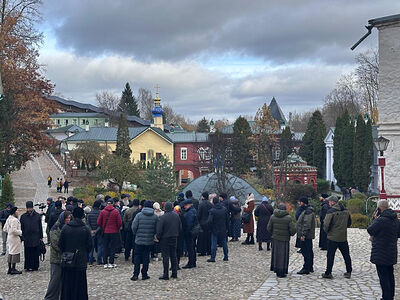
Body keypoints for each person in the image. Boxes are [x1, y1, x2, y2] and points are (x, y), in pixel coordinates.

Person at [367, 200, 400, 300]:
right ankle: (391, 296)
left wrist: (375, 219)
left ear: (379, 208)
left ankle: (386, 297)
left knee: (383, 277)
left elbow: (370, 230)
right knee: (390, 275)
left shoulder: (381, 220)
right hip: (391, 251)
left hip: (381, 252)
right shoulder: (395, 219)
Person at [59, 207, 92, 300]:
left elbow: (60, 244)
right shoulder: (85, 229)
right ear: (82, 216)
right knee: (80, 283)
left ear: (73, 215)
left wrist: (66, 252)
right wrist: (84, 253)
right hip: (81, 259)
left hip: (68, 259)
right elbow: (90, 245)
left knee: (67, 283)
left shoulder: (66, 228)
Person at [322, 195, 352, 279]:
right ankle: (349, 271)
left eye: (329, 201)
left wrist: (327, 231)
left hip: (332, 237)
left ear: (332, 202)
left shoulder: (331, 211)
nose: (328, 203)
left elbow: (326, 224)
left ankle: (328, 272)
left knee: (330, 255)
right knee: (346, 255)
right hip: (343, 236)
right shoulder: (346, 211)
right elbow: (349, 223)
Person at [44, 210, 71, 300]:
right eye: (67, 218)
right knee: (55, 280)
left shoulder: (66, 227)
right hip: (56, 258)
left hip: (65, 258)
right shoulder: (55, 228)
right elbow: (55, 244)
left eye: (69, 218)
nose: (68, 219)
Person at [131, 200, 158, 281]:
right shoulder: (155, 217)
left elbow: (134, 227)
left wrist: (136, 234)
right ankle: (144, 274)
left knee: (137, 257)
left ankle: (135, 274)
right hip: (149, 240)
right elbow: (156, 229)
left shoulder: (139, 215)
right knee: (146, 257)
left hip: (139, 239)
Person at [267, 203, 296, 278]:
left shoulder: (272, 217)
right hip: (284, 239)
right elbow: (292, 230)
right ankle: (282, 271)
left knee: (276, 254)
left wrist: (274, 233)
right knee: (283, 255)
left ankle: (276, 269)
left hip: (275, 238)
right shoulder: (288, 218)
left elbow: (269, 228)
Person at [156, 202, 182, 280]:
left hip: (165, 238)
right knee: (173, 255)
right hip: (174, 237)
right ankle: (174, 273)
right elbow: (180, 227)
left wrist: (158, 237)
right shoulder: (176, 216)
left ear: (165, 208)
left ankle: (166, 274)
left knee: (165, 256)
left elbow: (159, 230)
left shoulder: (163, 217)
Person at [97, 198, 122, 268]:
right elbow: (119, 222)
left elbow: (98, 222)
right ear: (113, 203)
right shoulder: (116, 211)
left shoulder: (102, 212)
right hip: (114, 232)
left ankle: (105, 262)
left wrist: (103, 227)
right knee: (113, 247)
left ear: (107, 204)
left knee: (105, 247)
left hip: (105, 231)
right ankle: (111, 262)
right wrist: (117, 228)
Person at [20, 201, 43, 271]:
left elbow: (40, 226)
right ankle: (28, 266)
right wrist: (22, 237)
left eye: (30, 208)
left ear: (32, 207)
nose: (29, 209)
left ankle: (35, 266)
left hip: (36, 236)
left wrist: (41, 237)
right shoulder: (23, 216)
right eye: (28, 208)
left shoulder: (37, 216)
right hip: (27, 237)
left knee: (35, 252)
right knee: (28, 252)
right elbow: (21, 227)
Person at [296, 197, 316, 275]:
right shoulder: (307, 211)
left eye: (300, 202)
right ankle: (310, 266)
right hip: (307, 235)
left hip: (306, 235)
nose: (299, 204)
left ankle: (306, 267)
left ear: (303, 203)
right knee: (309, 251)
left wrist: (303, 234)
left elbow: (306, 224)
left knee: (306, 251)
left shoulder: (307, 212)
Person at [207, 197, 229, 262]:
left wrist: (210, 228)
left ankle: (213, 257)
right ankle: (226, 256)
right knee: (224, 243)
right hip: (223, 228)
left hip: (215, 229)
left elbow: (209, 221)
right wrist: (227, 227)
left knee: (214, 243)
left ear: (213, 202)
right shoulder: (224, 209)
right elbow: (227, 219)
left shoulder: (212, 210)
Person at [3, 206, 22, 275]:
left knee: (10, 252)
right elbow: (14, 230)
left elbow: (4, 229)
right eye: (17, 211)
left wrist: (9, 231)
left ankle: (9, 268)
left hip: (9, 237)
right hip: (14, 238)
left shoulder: (8, 218)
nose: (18, 212)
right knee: (15, 253)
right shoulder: (14, 220)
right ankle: (13, 269)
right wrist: (20, 232)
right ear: (14, 212)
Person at [181, 198, 198, 269]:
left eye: (185, 205)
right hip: (193, 231)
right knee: (192, 247)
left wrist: (186, 231)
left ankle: (191, 262)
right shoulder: (193, 210)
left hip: (189, 232)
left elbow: (189, 223)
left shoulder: (190, 212)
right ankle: (193, 261)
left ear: (189, 205)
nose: (184, 207)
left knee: (190, 247)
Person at [86, 200, 103, 265]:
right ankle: (99, 260)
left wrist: (91, 230)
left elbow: (88, 223)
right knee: (99, 246)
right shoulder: (101, 213)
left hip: (91, 232)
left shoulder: (90, 213)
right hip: (99, 231)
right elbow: (101, 224)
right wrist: (97, 230)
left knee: (91, 246)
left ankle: (90, 260)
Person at [197, 192, 212, 256]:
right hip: (209, 222)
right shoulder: (210, 204)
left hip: (202, 222)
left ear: (203, 197)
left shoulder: (201, 204)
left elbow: (199, 214)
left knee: (202, 238)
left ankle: (202, 251)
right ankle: (209, 250)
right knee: (208, 237)